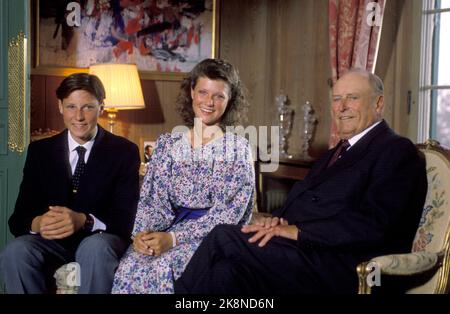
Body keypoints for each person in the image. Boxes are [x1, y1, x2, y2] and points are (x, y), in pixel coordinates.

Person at [174, 69, 428, 294]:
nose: (342, 107)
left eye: (353, 98)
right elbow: (304, 203)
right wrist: (275, 220)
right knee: (225, 273)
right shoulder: (334, 154)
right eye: (337, 99)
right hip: (306, 254)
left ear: (378, 103)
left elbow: (375, 224)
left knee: (223, 236)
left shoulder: (396, 151)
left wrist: (297, 231)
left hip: (348, 267)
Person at [112, 58, 255, 294]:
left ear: (230, 100)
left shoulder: (237, 149)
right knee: (131, 266)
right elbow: (152, 199)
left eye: (219, 95)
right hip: (165, 231)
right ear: (191, 92)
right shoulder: (168, 144)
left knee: (163, 267)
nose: (209, 102)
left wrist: (174, 238)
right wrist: (142, 235)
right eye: (203, 92)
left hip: (209, 239)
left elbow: (228, 215)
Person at [0, 73, 140, 294]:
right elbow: (18, 220)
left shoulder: (124, 151)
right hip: (52, 243)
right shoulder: (40, 152)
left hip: (99, 242)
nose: (79, 117)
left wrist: (85, 221)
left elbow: (126, 221)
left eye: (88, 107)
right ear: (60, 107)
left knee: (95, 248)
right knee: (16, 251)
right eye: (71, 107)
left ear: (101, 107)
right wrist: (38, 223)